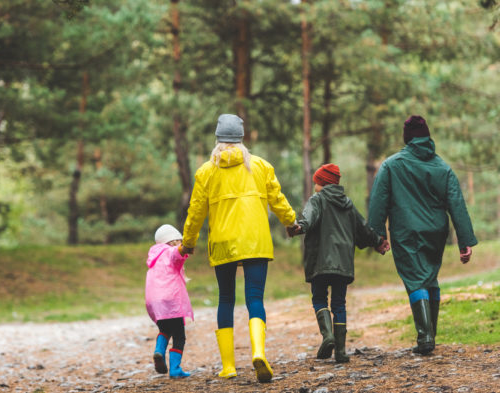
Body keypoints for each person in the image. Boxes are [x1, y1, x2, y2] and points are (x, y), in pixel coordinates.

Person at [180, 114, 298, 383]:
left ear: (218, 139)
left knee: (226, 299)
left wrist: (188, 242)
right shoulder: (260, 166)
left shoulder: (206, 171)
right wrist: (290, 221)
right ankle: (258, 353)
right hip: (255, 240)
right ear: (242, 138)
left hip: (223, 243)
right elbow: (277, 199)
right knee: (255, 298)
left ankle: (229, 366)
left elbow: (195, 211)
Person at [368, 115, 477, 355]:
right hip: (437, 231)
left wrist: (376, 237)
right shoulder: (442, 167)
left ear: (407, 139)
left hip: (406, 232)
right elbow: (456, 203)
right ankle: (430, 335)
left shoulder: (391, 165)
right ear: (428, 137)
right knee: (429, 278)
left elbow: (379, 202)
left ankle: (425, 337)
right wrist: (465, 241)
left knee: (416, 279)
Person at [290, 163, 389, 363]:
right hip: (343, 264)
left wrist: (298, 228)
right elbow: (363, 228)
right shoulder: (348, 203)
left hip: (320, 262)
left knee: (319, 298)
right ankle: (341, 352)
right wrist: (377, 242)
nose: (315, 186)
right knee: (339, 303)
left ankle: (327, 336)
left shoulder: (317, 200)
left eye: (316, 183)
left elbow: (307, 219)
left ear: (323, 183)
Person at [145, 224, 193, 379]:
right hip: (171, 300)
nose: (180, 243)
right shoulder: (170, 252)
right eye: (179, 240)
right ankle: (175, 369)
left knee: (165, 330)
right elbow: (177, 253)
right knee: (179, 336)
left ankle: (159, 350)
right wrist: (187, 245)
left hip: (155, 302)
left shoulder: (154, 257)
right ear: (172, 241)